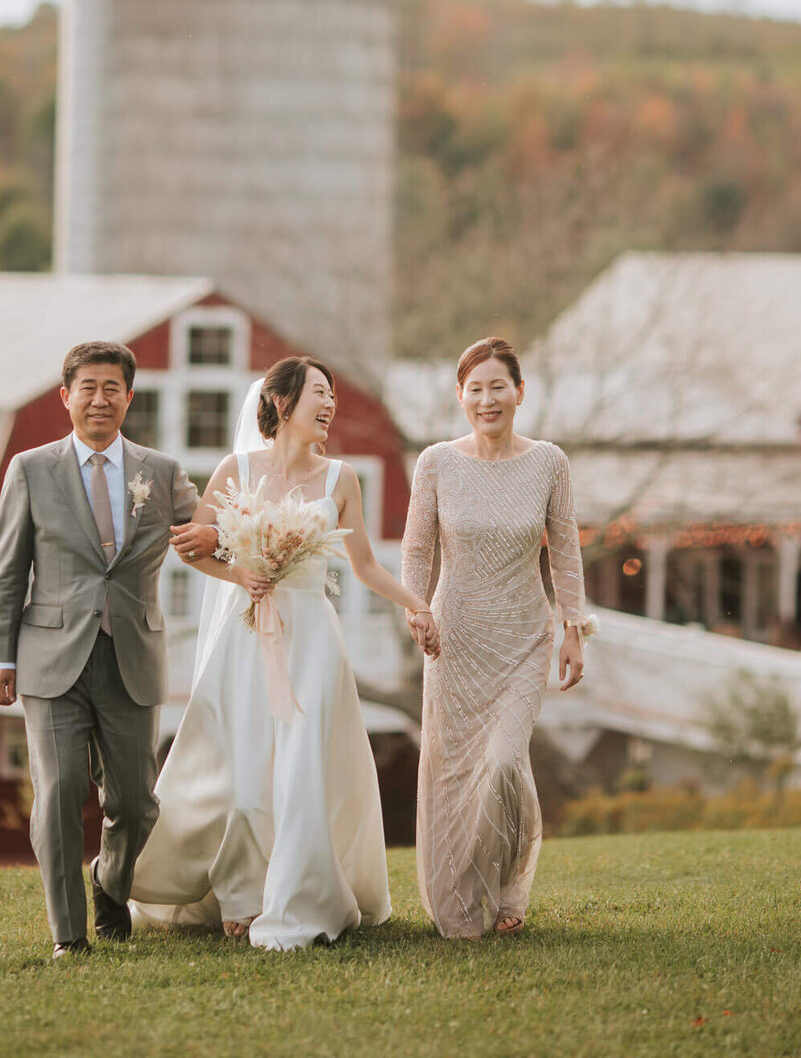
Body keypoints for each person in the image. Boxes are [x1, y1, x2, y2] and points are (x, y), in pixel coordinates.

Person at [130, 355, 439, 950]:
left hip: (314, 641)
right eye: (318, 393)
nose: (329, 405)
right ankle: (243, 892)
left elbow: (366, 566)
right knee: (246, 776)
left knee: (302, 769)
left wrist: (418, 606)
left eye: (333, 396)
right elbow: (192, 548)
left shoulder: (341, 478)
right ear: (280, 402)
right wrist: (238, 573)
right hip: (248, 637)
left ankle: (300, 896)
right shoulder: (235, 469)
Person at [0, 340, 220, 957]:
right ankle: (69, 937)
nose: (99, 399)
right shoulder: (30, 470)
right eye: (87, 387)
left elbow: (203, 537)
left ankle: (109, 881)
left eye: (111, 387)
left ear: (129, 397)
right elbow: (8, 570)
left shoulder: (161, 472)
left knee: (137, 804)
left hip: (132, 657)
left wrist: (221, 531)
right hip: (49, 659)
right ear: (66, 398)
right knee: (59, 791)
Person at [401, 335, 588, 939]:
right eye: (475, 389)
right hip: (453, 638)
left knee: (505, 762)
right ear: (461, 397)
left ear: (520, 391)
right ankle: (459, 898)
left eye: (497, 386)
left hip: (522, 639)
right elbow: (417, 548)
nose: (487, 398)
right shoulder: (436, 462)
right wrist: (415, 608)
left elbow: (565, 552)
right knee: (456, 773)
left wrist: (573, 629)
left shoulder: (549, 463)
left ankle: (509, 884)